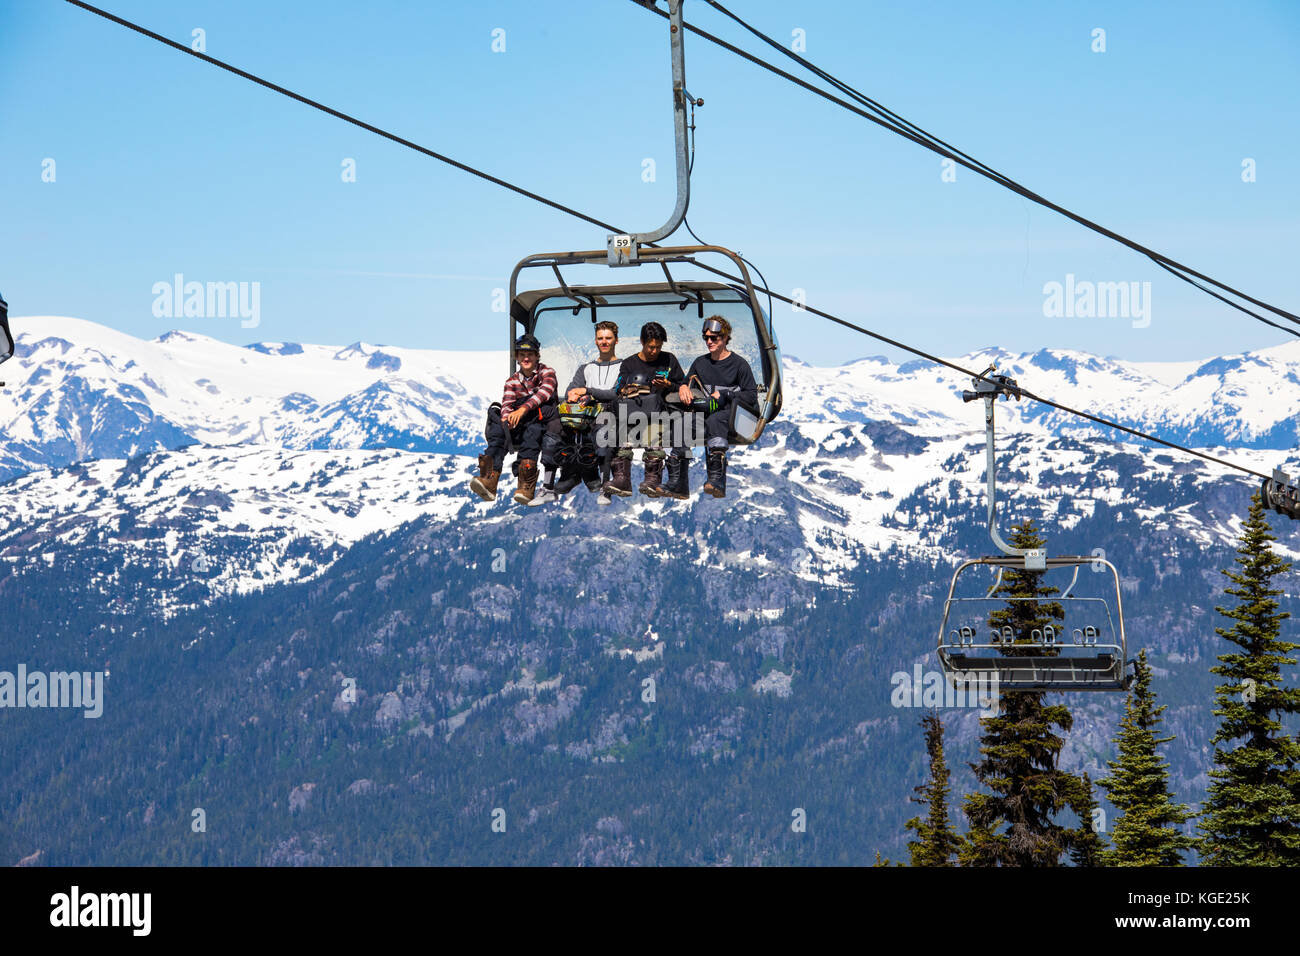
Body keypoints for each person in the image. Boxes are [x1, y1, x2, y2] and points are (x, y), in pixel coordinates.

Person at [531, 321, 621, 506]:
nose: (604, 342)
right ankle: (548, 486)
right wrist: (574, 394)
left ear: (616, 341)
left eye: (608, 338)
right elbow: (573, 387)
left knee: (603, 430)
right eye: (600, 338)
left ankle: (605, 486)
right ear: (595, 341)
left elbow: (616, 393)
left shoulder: (623, 367)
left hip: (608, 413)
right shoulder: (586, 368)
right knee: (555, 427)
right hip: (583, 415)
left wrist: (588, 391)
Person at [469, 334, 559, 504]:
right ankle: (489, 478)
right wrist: (506, 420)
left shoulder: (546, 373)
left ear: (537, 356)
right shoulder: (511, 382)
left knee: (532, 431)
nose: (526, 358)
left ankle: (526, 485)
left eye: (530, 354)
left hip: (542, 422)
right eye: (522, 355)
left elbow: (544, 393)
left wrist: (523, 409)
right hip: (519, 423)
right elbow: (507, 404)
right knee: (499, 429)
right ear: (517, 357)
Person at [676, 315, 757, 498]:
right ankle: (678, 483)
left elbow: (751, 394)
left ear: (726, 338)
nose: (709, 341)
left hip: (734, 415)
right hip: (708, 413)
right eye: (706, 338)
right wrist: (682, 387)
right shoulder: (700, 363)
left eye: (714, 338)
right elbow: (687, 380)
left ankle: (716, 479)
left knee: (716, 419)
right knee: (681, 423)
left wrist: (727, 395)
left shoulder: (739, 365)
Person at [603, 321, 684, 498]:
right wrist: (627, 390)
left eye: (658, 347)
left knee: (653, 431)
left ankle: (652, 479)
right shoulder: (629, 364)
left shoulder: (669, 360)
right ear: (642, 342)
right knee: (620, 433)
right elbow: (617, 389)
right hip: (632, 413)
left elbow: (682, 386)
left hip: (660, 414)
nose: (654, 351)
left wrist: (668, 384)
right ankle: (621, 479)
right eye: (650, 347)